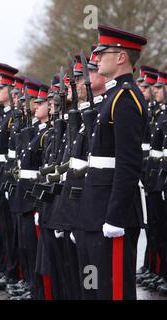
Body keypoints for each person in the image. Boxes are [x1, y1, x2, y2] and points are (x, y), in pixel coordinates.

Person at [77, 25, 148, 300]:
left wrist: (115, 216)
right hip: (96, 207)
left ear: (121, 57)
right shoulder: (111, 96)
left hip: (111, 211)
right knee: (95, 287)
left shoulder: (125, 98)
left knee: (112, 289)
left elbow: (129, 163)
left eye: (102, 52)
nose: (97, 58)